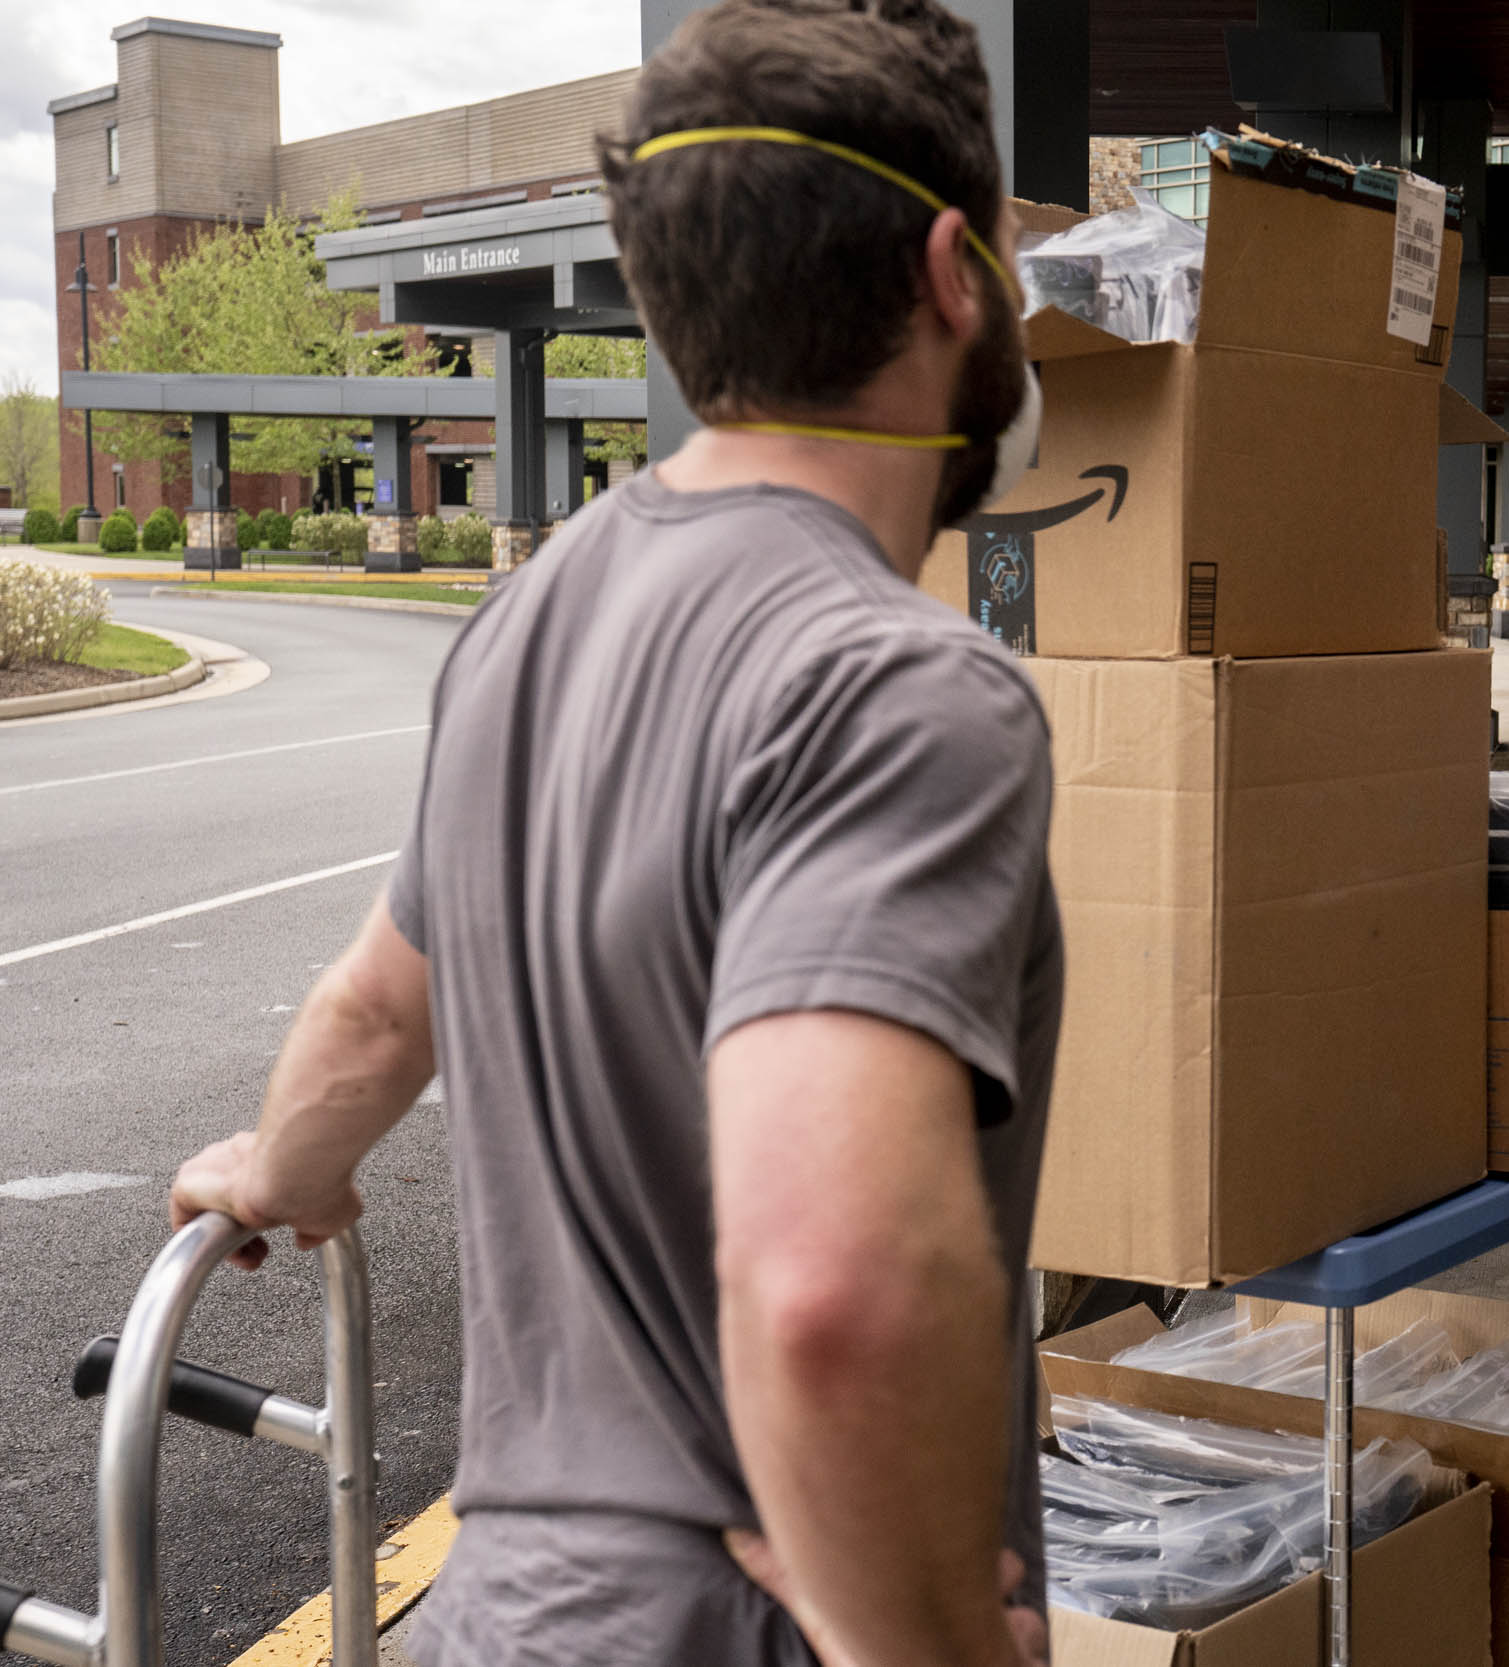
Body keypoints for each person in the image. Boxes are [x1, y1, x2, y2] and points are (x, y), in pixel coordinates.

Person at [166, 3, 1060, 1663]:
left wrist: (275, 1169)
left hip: (505, 1614)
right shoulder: (902, 685)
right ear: (954, 274)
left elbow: (377, 1005)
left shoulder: (530, 612)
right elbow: (832, 1292)